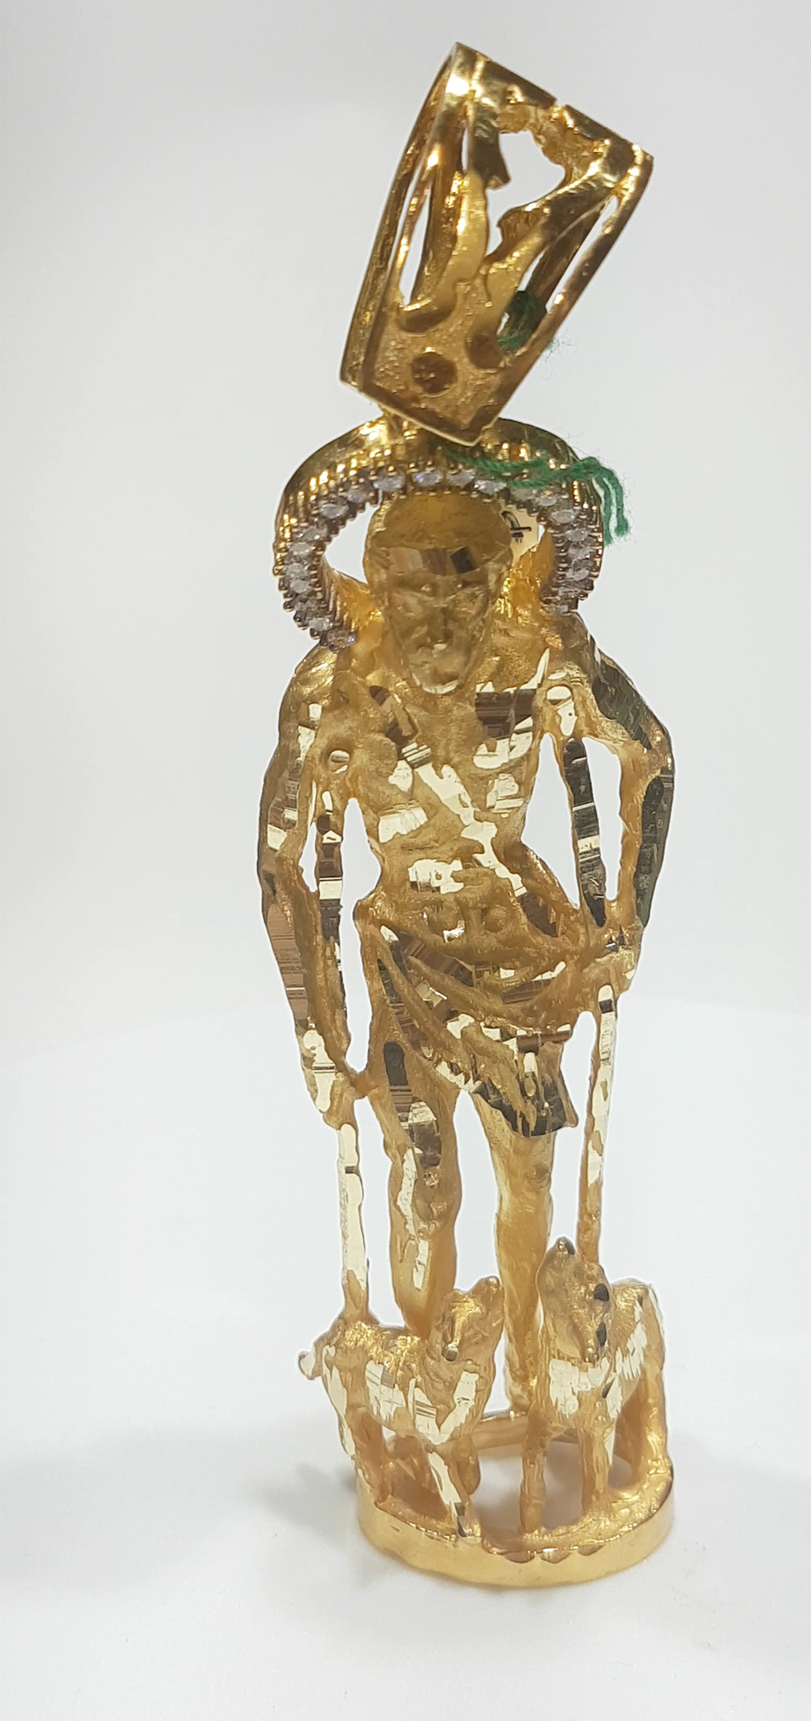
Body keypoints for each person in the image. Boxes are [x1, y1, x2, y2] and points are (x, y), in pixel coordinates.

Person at [259, 484, 672, 1408]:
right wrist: (315, 1032)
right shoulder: (336, 689)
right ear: (375, 588)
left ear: (499, 586)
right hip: (403, 961)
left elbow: (648, 755)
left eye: (465, 590)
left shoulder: (540, 657)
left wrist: (625, 921)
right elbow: (281, 865)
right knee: (424, 1180)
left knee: (529, 1179)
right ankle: (430, 1377)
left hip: (519, 963)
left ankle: (529, 1376)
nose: (439, 621)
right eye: (413, 592)